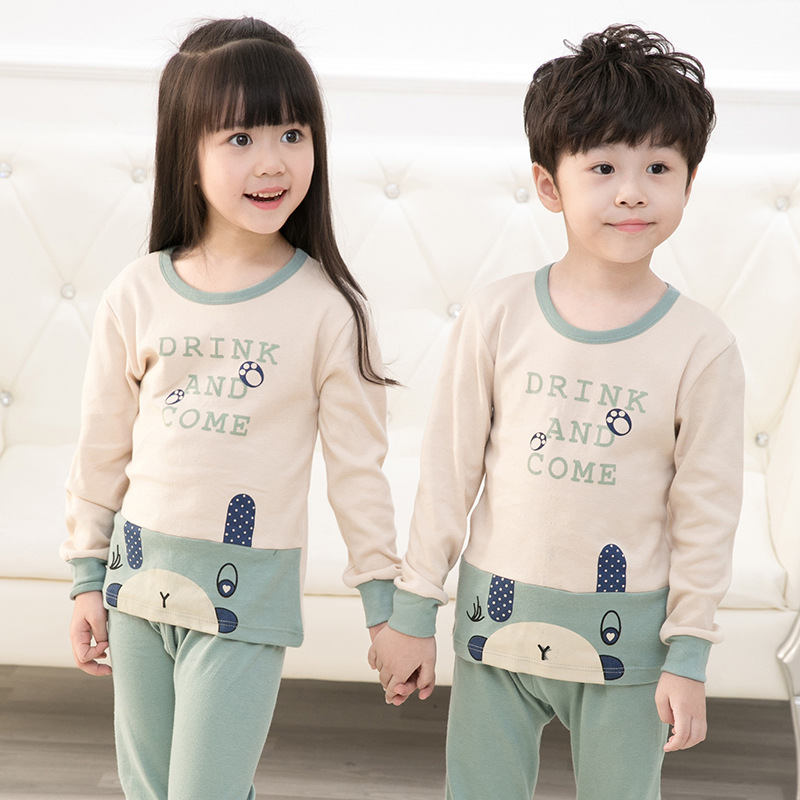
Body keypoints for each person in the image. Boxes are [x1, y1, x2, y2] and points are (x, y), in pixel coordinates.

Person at [369, 23, 744, 800]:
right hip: (493, 628)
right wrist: (413, 610)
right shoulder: (498, 315)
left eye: (658, 167)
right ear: (549, 185)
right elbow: (448, 472)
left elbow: (706, 515)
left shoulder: (701, 345)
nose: (632, 191)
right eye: (603, 167)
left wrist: (688, 655)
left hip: (626, 644)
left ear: (688, 182)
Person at [61, 17, 400, 800]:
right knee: (149, 791)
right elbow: (102, 449)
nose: (273, 161)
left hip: (244, 594)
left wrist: (384, 609)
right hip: (137, 580)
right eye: (241, 138)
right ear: (188, 151)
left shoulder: (327, 310)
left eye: (292, 133)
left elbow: (359, 474)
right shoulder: (137, 293)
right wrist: (85, 577)